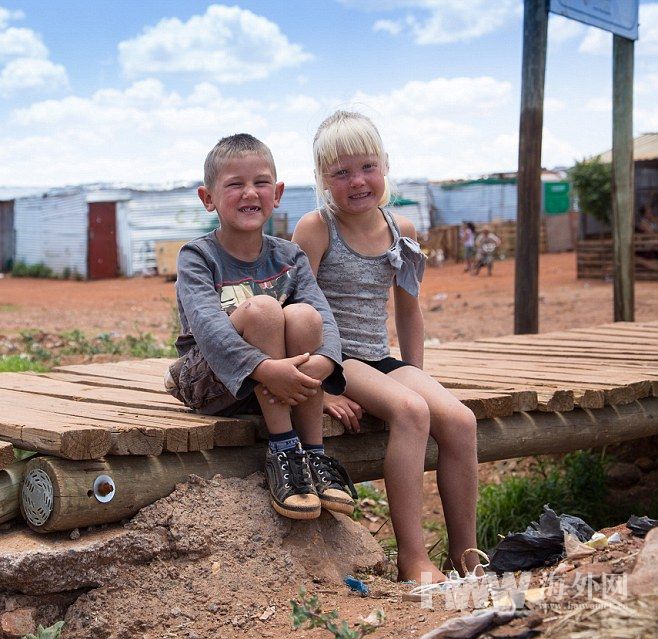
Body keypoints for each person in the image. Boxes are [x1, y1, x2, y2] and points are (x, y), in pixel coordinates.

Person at [291, 111, 479, 583]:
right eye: (341, 172)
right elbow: (296, 314)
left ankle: (466, 555)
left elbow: (409, 311)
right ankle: (412, 559)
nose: (357, 181)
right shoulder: (315, 229)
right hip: (334, 358)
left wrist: (417, 374)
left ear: (385, 166)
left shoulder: (404, 231)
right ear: (322, 179)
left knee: (459, 420)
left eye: (367, 167)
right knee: (412, 413)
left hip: (380, 357)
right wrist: (324, 390)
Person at [165, 133, 357, 521]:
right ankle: (284, 448)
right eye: (235, 184)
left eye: (260, 182)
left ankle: (314, 455)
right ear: (208, 198)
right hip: (213, 379)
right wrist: (266, 369)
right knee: (264, 310)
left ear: (278, 193)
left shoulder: (290, 256)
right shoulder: (198, 257)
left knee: (304, 316)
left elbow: (325, 318)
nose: (250, 193)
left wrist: (325, 363)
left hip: (278, 382)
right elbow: (209, 331)